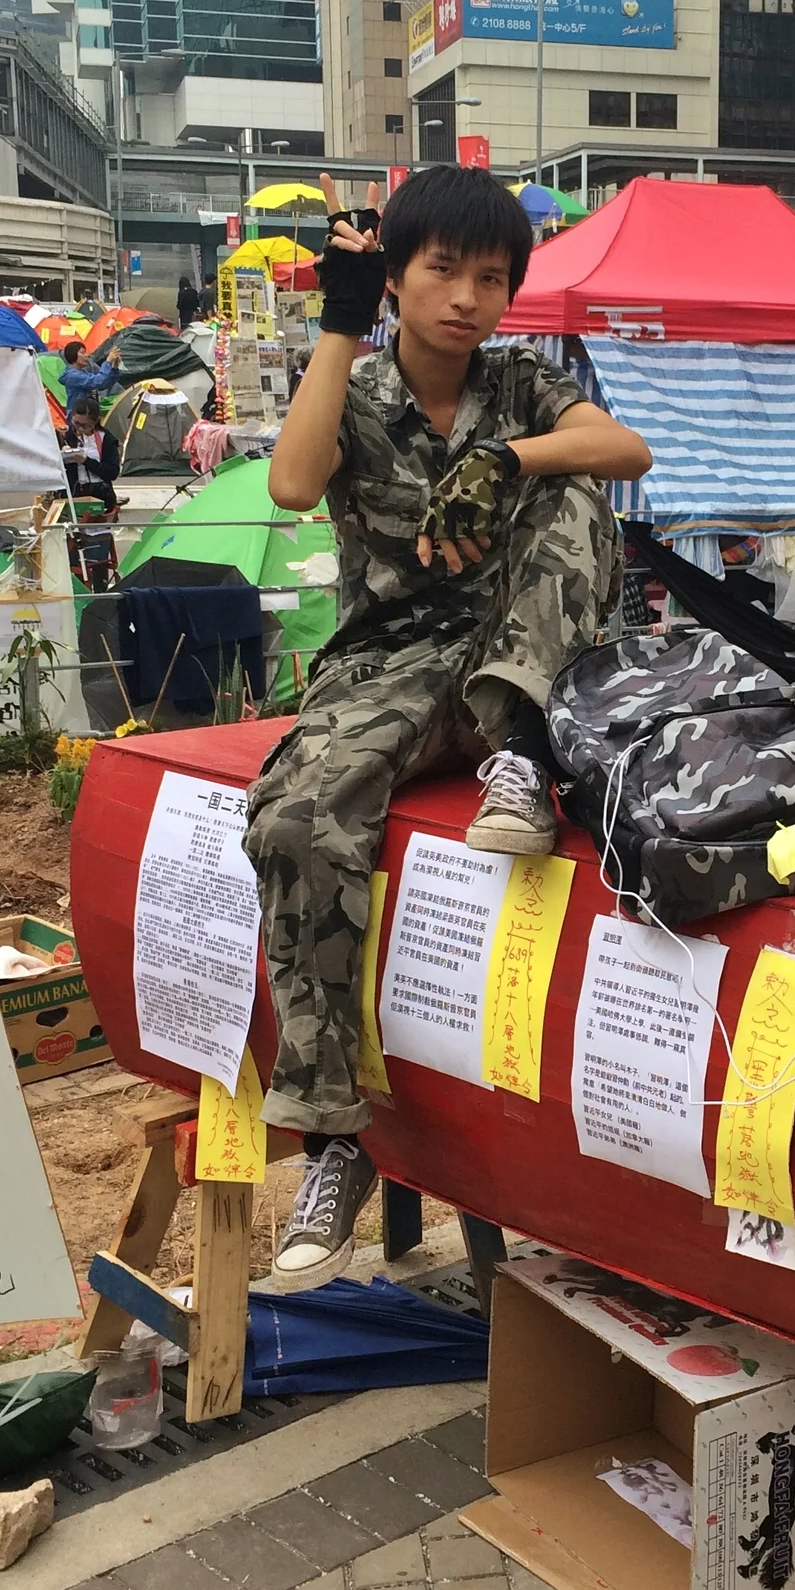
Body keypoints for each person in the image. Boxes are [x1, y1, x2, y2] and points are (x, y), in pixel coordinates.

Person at [244, 165, 651, 1288]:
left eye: (490, 277)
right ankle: (334, 1136)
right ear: (396, 274)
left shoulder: (522, 383)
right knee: (294, 818)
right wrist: (337, 320)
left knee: (578, 494)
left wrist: (506, 458)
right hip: (389, 662)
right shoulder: (360, 388)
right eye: (440, 270)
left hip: (519, 655)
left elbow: (624, 453)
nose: (466, 297)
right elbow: (289, 483)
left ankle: (517, 753)